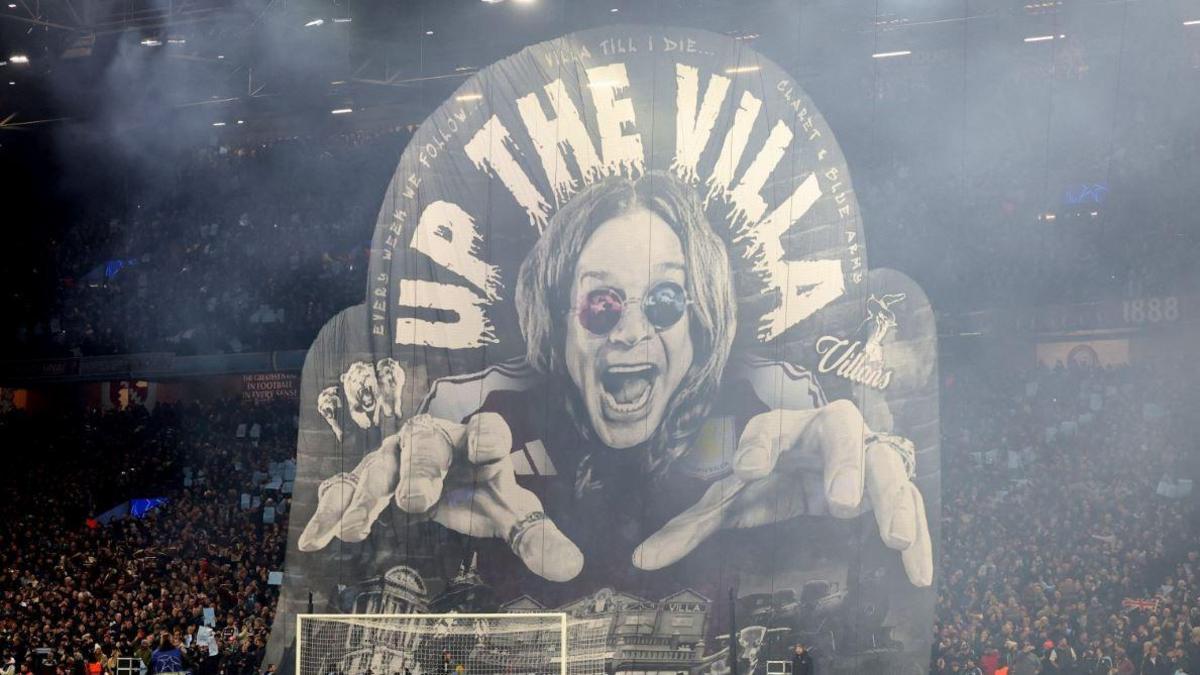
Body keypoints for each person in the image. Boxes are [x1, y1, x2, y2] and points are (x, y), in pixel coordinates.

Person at [299, 171, 933, 589]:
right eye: (602, 304)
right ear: (560, 323)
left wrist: (877, 460)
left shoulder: (767, 415)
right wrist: (388, 523)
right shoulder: (492, 418)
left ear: (699, 320)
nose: (629, 331)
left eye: (662, 300)